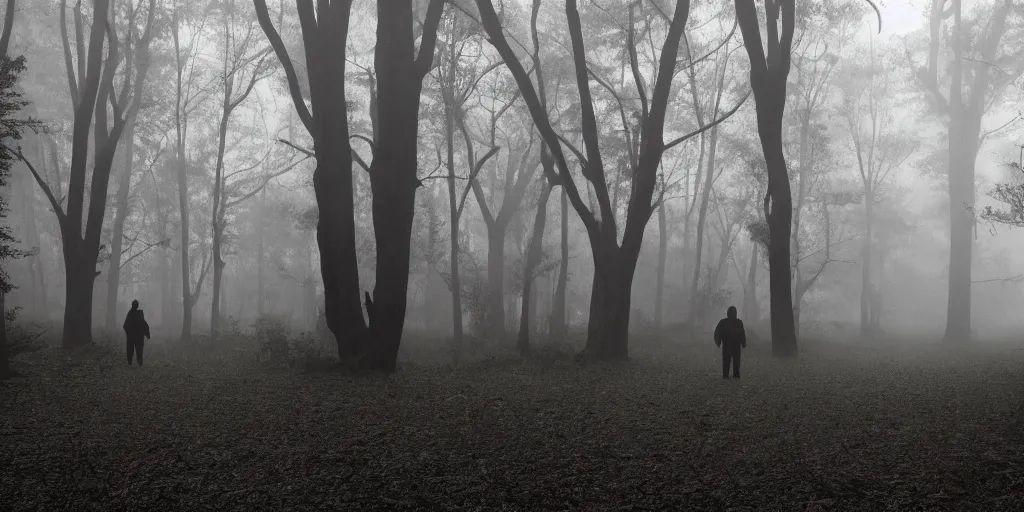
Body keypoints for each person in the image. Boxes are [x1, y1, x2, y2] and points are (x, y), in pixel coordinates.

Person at [714, 306, 746, 379]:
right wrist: (743, 342)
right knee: (735, 360)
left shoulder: (723, 322)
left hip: (727, 345)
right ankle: (735, 374)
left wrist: (718, 342)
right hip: (735, 345)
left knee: (727, 360)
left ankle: (726, 375)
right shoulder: (738, 322)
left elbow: (717, 332)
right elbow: (742, 333)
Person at [123, 300, 151, 366]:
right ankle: (138, 363)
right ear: (137, 306)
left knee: (133, 350)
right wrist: (147, 334)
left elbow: (125, 326)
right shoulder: (139, 314)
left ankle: (132, 363)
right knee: (138, 350)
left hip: (133, 336)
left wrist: (128, 333)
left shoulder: (131, 314)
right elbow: (144, 325)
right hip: (138, 337)